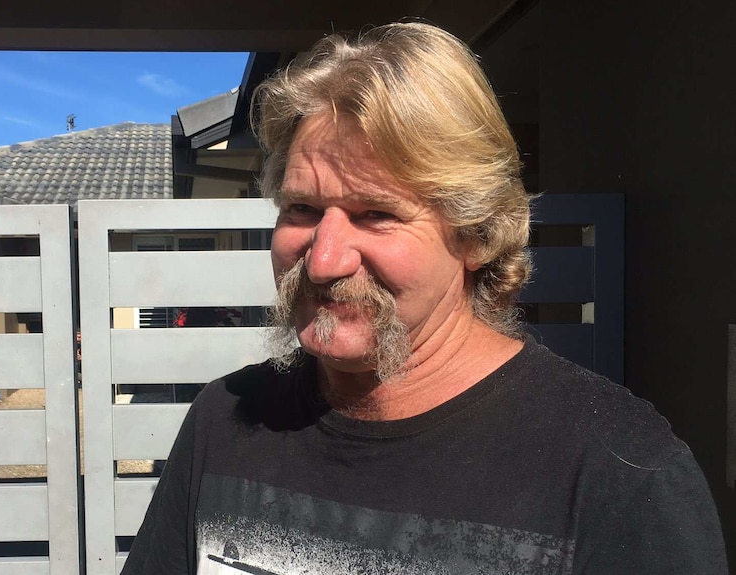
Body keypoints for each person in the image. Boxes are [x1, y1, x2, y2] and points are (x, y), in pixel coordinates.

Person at [123, 22, 726, 574]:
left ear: (477, 234)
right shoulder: (224, 424)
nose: (324, 260)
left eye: (376, 213)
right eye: (302, 209)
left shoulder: (617, 474)